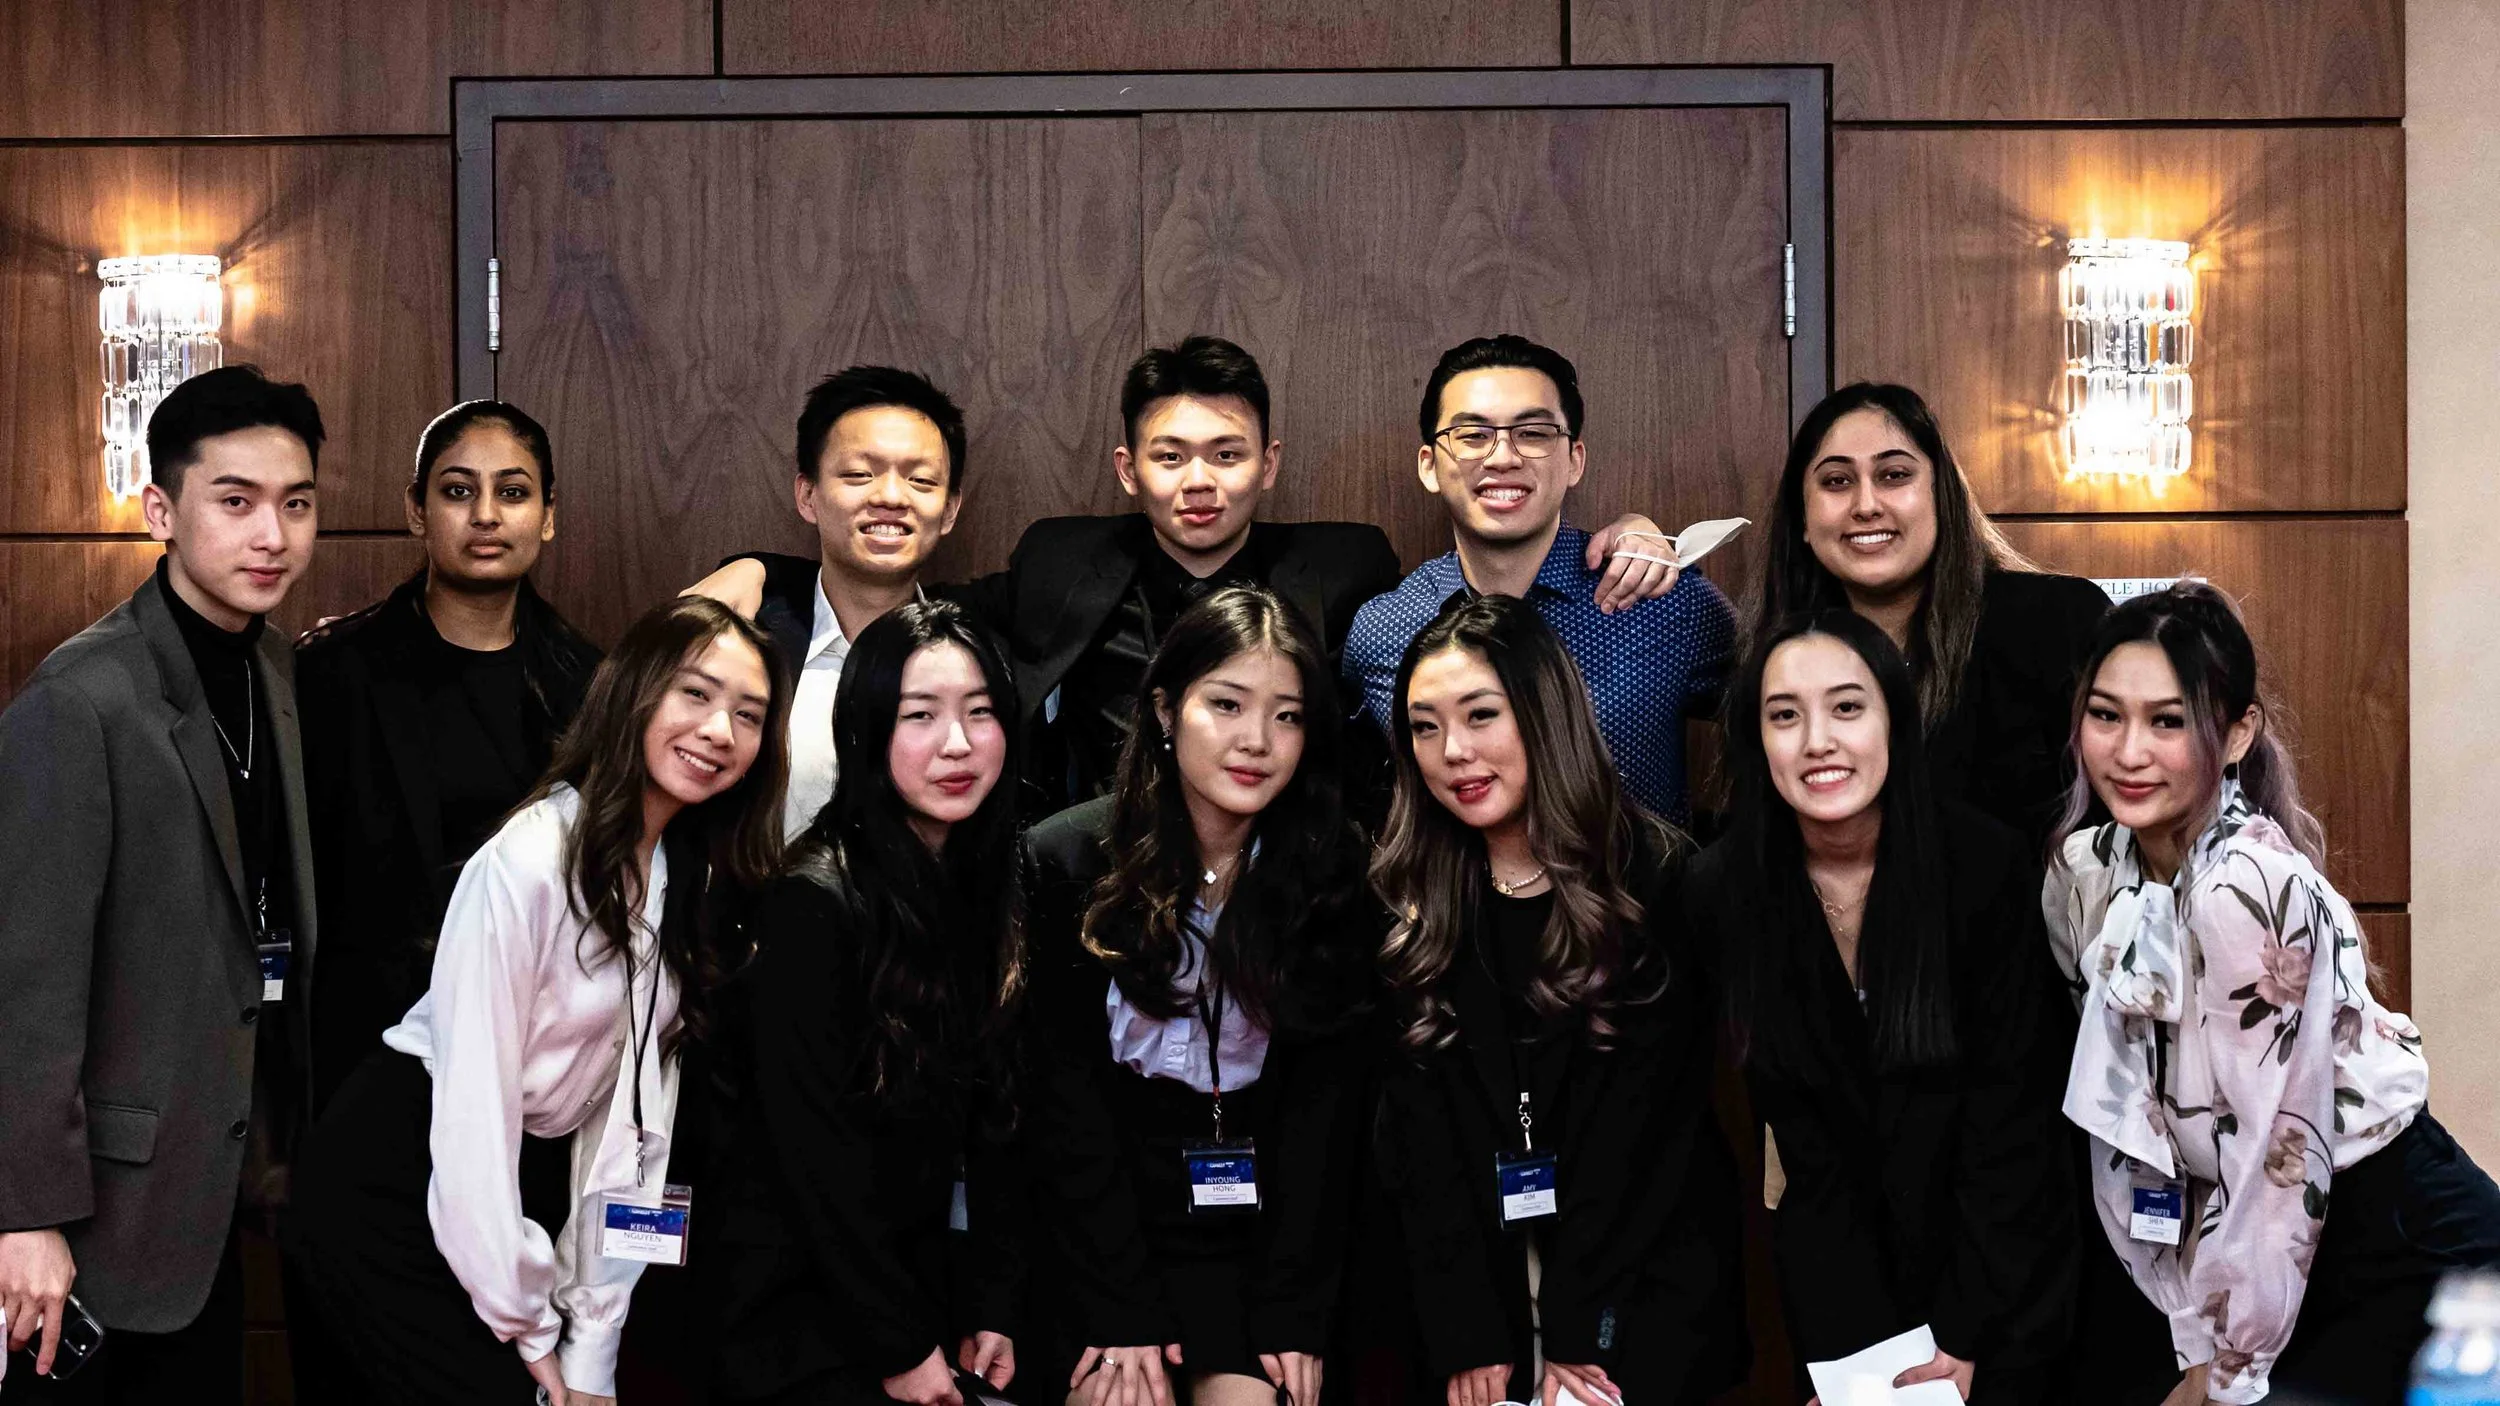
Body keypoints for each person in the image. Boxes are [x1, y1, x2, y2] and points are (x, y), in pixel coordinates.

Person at [699, 337, 1680, 820]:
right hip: (1104, 881)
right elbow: (906, 584)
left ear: (1270, 462)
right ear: (1128, 470)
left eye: (1226, 451)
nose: (1199, 479)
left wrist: (1619, 533)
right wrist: (764, 569)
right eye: (1169, 455)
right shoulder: (1062, 561)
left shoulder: (1345, 568)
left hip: (1291, 885)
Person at [285, 596, 789, 1405]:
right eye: (695, 694)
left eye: (749, 714)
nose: (720, 731)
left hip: (515, 1179)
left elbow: (632, 1129)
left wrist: (594, 1340)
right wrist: (528, 1325)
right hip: (398, 1176)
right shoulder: (529, 860)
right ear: (634, 694)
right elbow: (473, 1113)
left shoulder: (680, 877)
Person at [2046, 581, 2500, 1406]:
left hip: (2388, 1230)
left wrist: (2221, 1366)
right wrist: (2191, 1325)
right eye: (2106, 715)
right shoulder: (2082, 872)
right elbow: (2131, 1112)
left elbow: (2276, 1164)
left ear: (2237, 733)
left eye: (2170, 720)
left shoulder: (2243, 888)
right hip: (2255, 1244)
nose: (2129, 750)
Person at [0, 365, 324, 1403]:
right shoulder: (82, 698)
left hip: (220, 1170)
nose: (271, 533)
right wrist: (24, 1213)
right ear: (161, 511)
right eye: (235, 502)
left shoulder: (274, 665)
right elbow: (25, 980)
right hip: (97, 1205)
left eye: (297, 503)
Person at [1683, 610, 2077, 1403]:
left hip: (2004, 1276)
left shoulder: (1983, 864)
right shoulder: (1721, 890)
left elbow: (2014, 1122)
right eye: (1784, 716)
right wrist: (1853, 1358)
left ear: (1894, 718)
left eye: (1847, 707)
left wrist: (1965, 1333)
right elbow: (1802, 1146)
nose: (1818, 740)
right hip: (1839, 1289)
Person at [1370, 594, 1746, 1406]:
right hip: (1484, 1286)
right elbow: (1420, 1143)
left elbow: (1650, 1132)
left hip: (1638, 1281)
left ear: (1544, 712)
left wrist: (1581, 1328)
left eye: (1480, 715)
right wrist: (1468, 1328)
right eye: (1425, 727)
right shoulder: (1411, 893)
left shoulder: (1652, 877)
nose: (1453, 752)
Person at [1023, 585, 1378, 1406]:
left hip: (1258, 1246)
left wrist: (1294, 1313)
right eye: (1226, 704)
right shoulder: (1065, 858)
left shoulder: (1334, 870)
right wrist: (1122, 1308)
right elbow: (1061, 1109)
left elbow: (1326, 1118)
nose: (1257, 741)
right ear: (1162, 708)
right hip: (1105, 1239)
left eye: (1288, 716)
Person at [704, 599, 1028, 1406]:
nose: (957, 745)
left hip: (915, 1273)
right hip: (797, 1293)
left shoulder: (991, 875)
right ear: (866, 731)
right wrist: (901, 1344)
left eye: (980, 713)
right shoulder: (812, 899)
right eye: (921, 716)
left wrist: (992, 1298)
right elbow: (814, 1156)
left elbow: (998, 1118)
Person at [296, 399, 602, 1111]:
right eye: (459, 491)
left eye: (514, 492)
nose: (487, 515)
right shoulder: (332, 673)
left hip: (535, 1053)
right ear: (416, 509)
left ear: (548, 516)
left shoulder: (591, 687)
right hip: (366, 1047)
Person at [1343, 335, 1738, 824]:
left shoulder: (1659, 597)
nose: (1503, 456)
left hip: (1637, 895)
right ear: (1429, 465)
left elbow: (1797, 708)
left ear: (1574, 460)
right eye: (1472, 436)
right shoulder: (1386, 628)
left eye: (1532, 433)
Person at [1755, 382, 2110, 850]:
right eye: (1837, 481)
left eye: (1894, 475)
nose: (1866, 506)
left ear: (1941, 494)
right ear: (1803, 517)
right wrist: (1631, 535)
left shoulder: (2056, 622)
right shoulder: (1776, 655)